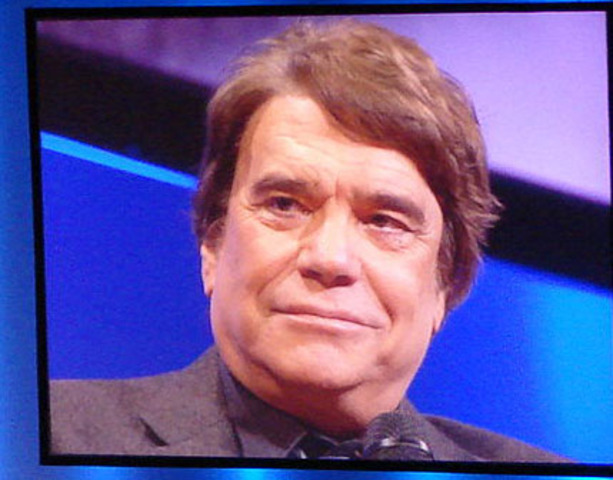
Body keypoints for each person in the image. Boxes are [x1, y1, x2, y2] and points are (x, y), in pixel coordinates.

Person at [50, 19, 567, 462]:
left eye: (384, 221)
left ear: (445, 286)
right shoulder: (54, 435)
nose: (330, 257)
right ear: (212, 246)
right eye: (285, 205)